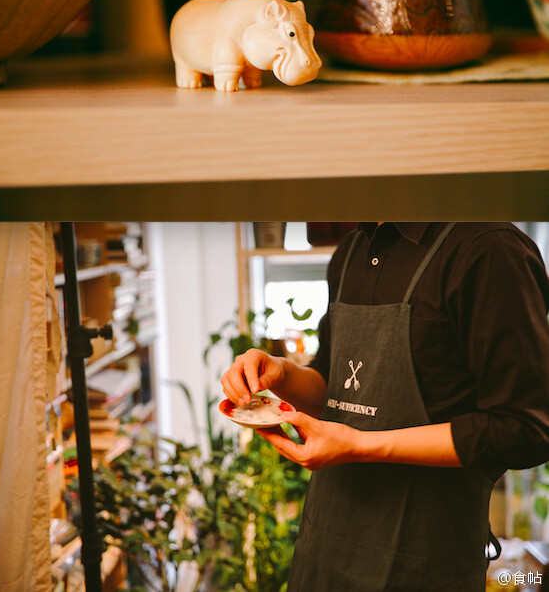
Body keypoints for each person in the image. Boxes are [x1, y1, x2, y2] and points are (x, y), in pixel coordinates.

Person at [221, 222, 549, 591]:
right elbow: (334, 384)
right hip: (322, 552)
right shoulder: (351, 251)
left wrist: (360, 445)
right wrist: (281, 374)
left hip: (423, 564)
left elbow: (522, 430)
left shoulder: (487, 249)